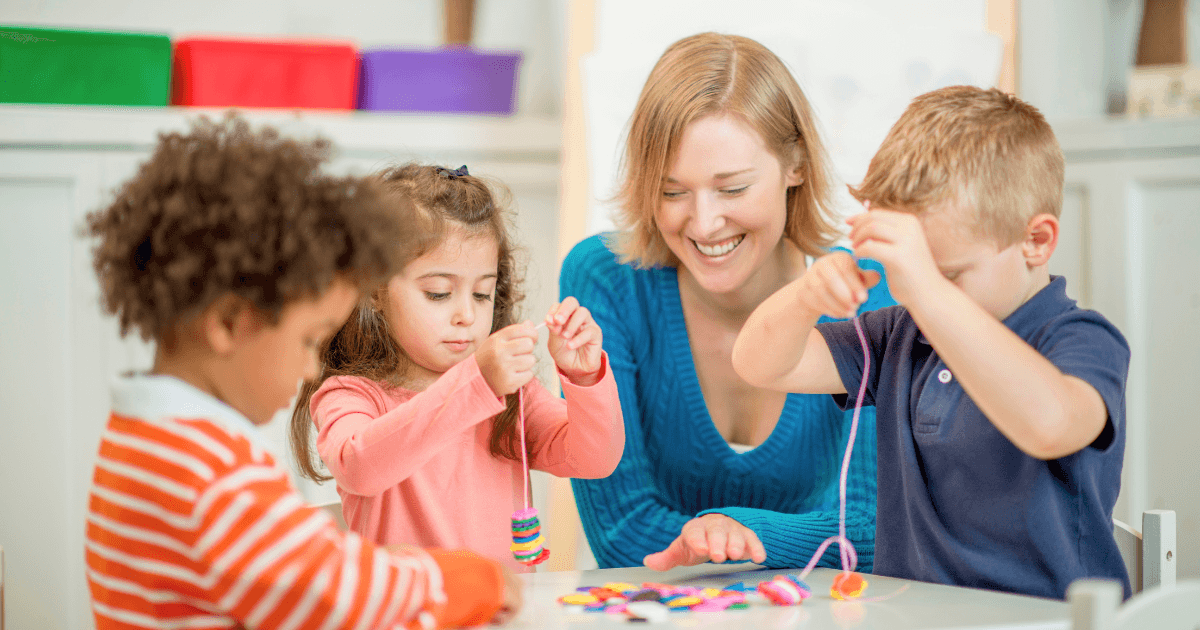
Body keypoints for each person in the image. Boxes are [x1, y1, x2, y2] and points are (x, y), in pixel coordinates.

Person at [83, 117, 520, 629]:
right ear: (228, 323)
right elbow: (340, 597)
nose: (313, 364)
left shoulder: (138, 440)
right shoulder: (214, 477)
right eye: (309, 340)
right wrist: (472, 580)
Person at [732, 85, 1131, 600]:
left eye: (945, 274)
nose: (917, 294)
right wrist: (807, 295)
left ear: (1036, 241)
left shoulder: (1081, 339)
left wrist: (925, 287)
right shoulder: (903, 332)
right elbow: (759, 365)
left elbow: (1050, 424)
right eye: (909, 275)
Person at [560, 32, 894, 571]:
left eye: (732, 188)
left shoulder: (869, 290)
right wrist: (773, 543)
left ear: (797, 166)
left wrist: (736, 536)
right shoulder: (605, 279)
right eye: (672, 191)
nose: (705, 222)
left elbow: (877, 528)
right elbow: (621, 531)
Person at [289, 163, 624, 573]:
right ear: (375, 291)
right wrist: (475, 384)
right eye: (439, 293)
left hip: (504, 614)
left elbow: (596, 460)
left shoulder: (511, 394)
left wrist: (585, 377)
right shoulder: (352, 395)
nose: (466, 314)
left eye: (482, 294)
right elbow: (359, 467)